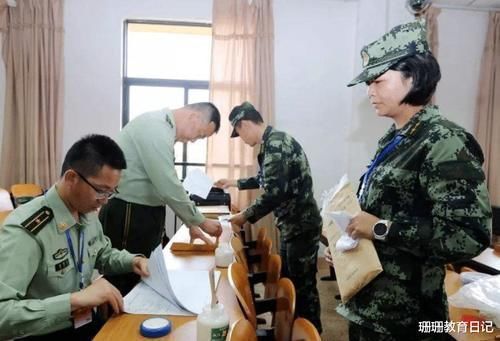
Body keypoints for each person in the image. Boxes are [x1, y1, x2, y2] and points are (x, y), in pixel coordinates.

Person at [325, 20, 492, 340]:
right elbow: (384, 214)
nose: (370, 91)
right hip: (370, 309)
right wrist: (350, 245)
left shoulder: (444, 141)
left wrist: (379, 228)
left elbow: (468, 235)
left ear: (413, 77)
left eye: (378, 81)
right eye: (368, 83)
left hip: (408, 320)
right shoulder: (396, 140)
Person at [0, 134, 150, 340]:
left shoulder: (86, 211)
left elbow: (102, 254)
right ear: (71, 178)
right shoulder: (27, 230)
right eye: (100, 191)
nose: (104, 201)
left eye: (111, 192)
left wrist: (133, 261)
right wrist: (73, 301)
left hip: (84, 321)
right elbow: (3, 314)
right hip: (44, 331)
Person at [215, 102, 323, 333]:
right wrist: (233, 182)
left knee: (302, 287)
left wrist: (244, 216)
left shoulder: (276, 145)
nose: (242, 139)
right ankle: (293, 331)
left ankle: (311, 332)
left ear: (244, 124)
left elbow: (275, 192)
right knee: (289, 283)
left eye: (239, 133)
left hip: (301, 225)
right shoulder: (272, 143)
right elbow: (265, 180)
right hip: (293, 225)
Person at [99, 102, 223, 295]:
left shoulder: (164, 130)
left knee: (146, 275)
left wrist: (191, 224)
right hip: (129, 213)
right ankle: (119, 325)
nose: (194, 140)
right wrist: (200, 221)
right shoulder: (155, 128)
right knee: (127, 282)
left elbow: (164, 184)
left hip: (144, 213)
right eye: (199, 134)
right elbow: (167, 184)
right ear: (194, 118)